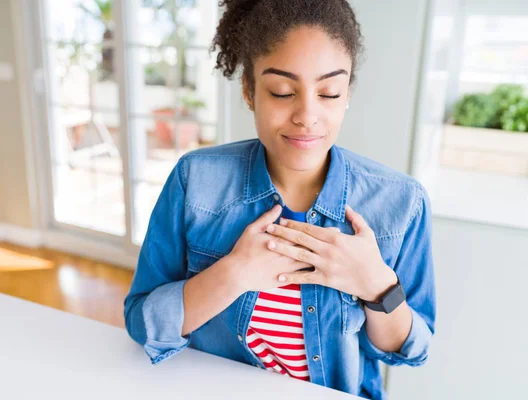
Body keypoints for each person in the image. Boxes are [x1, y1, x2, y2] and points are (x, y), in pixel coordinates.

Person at [123, 1, 436, 398]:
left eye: (329, 92)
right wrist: (232, 274)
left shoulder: (401, 202)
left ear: (347, 93)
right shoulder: (195, 180)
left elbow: (410, 351)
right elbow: (141, 321)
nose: (307, 115)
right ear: (250, 92)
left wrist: (377, 285)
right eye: (282, 91)